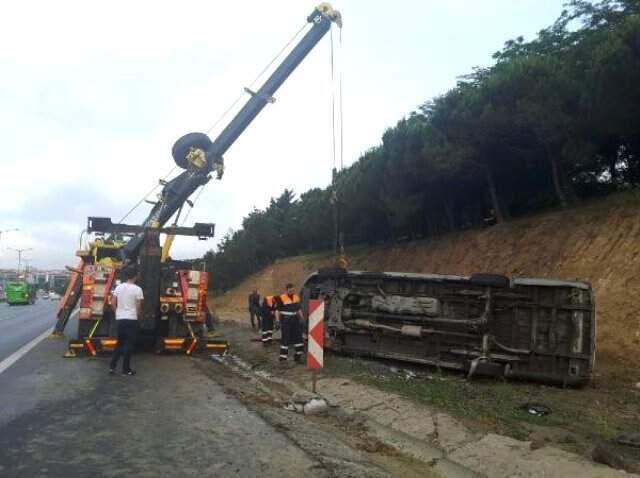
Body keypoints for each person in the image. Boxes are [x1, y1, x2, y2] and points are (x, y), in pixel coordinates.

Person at [109, 267, 144, 376]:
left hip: (120, 318)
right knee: (129, 345)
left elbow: (113, 302)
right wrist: (138, 317)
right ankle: (126, 369)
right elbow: (138, 307)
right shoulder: (138, 289)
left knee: (119, 343)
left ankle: (112, 367)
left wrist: (117, 312)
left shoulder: (119, 287)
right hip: (131, 319)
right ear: (135, 276)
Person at [276, 283, 304, 364]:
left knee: (298, 338)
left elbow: (298, 309)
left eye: (293, 290)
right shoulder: (281, 298)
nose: (292, 291)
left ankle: (298, 357)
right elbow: (277, 310)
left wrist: (301, 318)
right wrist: (277, 321)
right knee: (286, 339)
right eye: (290, 290)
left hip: (295, 320)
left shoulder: (296, 297)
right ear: (286, 290)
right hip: (286, 321)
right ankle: (283, 359)